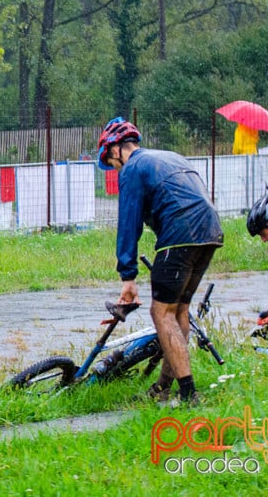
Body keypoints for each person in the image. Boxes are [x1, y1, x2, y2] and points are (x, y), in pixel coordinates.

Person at [97, 117, 224, 404]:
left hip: (180, 234)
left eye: (109, 159)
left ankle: (189, 394)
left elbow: (128, 224)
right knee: (179, 311)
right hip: (211, 231)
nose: (113, 166)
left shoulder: (132, 168)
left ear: (116, 148)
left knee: (162, 313)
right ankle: (163, 388)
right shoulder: (170, 156)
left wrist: (127, 276)